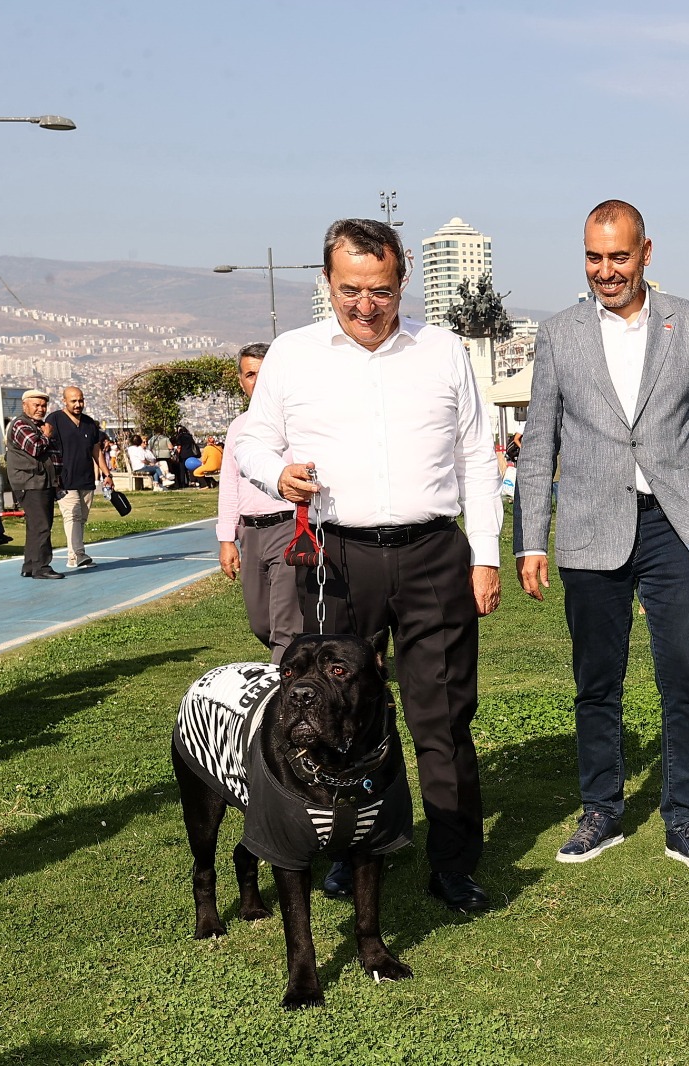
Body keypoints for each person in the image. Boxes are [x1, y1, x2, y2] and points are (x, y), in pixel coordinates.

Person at [233, 217, 502, 913]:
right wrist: (278, 475)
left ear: (402, 278)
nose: (366, 305)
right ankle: (341, 846)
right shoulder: (293, 354)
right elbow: (253, 444)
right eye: (350, 289)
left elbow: (477, 457)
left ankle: (452, 864)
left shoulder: (444, 351)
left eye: (380, 289)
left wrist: (486, 554)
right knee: (328, 714)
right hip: (334, 555)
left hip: (434, 554)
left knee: (442, 719)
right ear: (326, 281)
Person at [514, 200, 689, 874]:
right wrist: (530, 540)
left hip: (677, 526)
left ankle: (685, 820)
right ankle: (601, 812)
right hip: (590, 526)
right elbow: (538, 447)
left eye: (618, 256)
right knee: (595, 682)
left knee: (687, 676)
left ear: (647, 252)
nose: (605, 270)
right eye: (593, 257)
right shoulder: (558, 334)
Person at [217, 343, 302, 663]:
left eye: (264, 373)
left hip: (289, 525)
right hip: (250, 532)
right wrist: (227, 539)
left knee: (285, 623)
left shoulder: (298, 422)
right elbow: (229, 484)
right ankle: (300, 660)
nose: (258, 380)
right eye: (251, 374)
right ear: (242, 381)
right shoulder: (238, 427)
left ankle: (281, 695)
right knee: (260, 622)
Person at [45, 386, 112, 570]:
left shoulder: (90, 423)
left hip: (86, 479)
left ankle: (73, 558)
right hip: (64, 479)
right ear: (64, 401)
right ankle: (79, 553)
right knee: (72, 516)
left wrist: (107, 474)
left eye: (80, 400)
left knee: (81, 518)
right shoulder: (55, 419)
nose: (78, 404)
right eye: (73, 401)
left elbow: (96, 450)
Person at [6, 390, 63, 578]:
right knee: (42, 526)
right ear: (25, 406)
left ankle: (30, 565)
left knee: (35, 525)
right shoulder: (21, 424)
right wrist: (46, 435)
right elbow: (35, 448)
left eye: (43, 405)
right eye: (36, 405)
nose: (41, 409)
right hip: (30, 482)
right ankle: (42, 568)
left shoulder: (38, 425)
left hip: (41, 481)